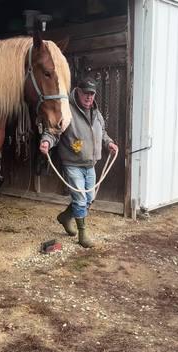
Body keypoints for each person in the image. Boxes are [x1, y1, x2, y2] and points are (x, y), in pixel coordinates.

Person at [39, 77, 118, 248]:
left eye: (92, 94)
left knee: (89, 199)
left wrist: (109, 143)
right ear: (78, 92)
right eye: (86, 94)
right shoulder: (67, 110)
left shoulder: (96, 113)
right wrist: (46, 141)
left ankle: (65, 217)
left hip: (90, 163)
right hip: (72, 163)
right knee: (81, 199)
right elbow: (54, 131)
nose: (89, 98)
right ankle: (83, 235)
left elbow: (102, 132)